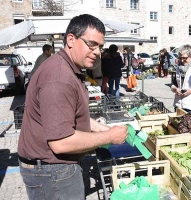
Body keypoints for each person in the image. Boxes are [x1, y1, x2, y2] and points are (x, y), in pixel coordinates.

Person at [17, 14, 128, 200]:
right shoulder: (59, 78)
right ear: (70, 39)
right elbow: (61, 143)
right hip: (52, 172)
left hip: (52, 169)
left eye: (100, 46)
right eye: (91, 44)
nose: (97, 52)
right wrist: (109, 136)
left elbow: (69, 114)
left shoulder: (66, 68)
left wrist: (101, 127)